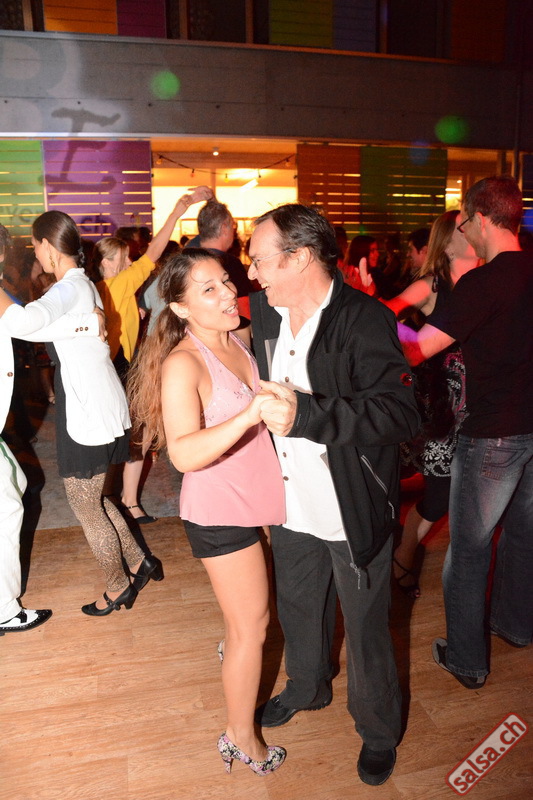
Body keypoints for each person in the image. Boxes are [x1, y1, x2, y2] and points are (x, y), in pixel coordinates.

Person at [247, 204, 420, 786]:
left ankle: (378, 730)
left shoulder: (363, 319)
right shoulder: (266, 314)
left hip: (351, 502)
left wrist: (307, 415)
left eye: (260, 259)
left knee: (366, 626)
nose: (252, 272)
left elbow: (400, 412)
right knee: (298, 604)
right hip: (290, 499)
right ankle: (307, 686)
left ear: (299, 258)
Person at [127, 248, 286, 776]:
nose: (227, 295)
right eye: (209, 290)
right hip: (218, 509)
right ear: (180, 308)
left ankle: (234, 666)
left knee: (248, 622)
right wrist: (248, 415)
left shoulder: (237, 340)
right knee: (252, 628)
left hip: (255, 497)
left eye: (226, 282)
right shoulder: (184, 363)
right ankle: (241, 736)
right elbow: (183, 453)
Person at [398, 175, 533, 687]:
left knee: (470, 550)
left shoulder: (483, 282)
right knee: (523, 534)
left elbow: (418, 350)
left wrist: (384, 324)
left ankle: (467, 660)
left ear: (479, 219)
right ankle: (516, 626)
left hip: (494, 432)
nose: (462, 230)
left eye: (463, 221)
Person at [0, 211, 163, 617]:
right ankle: (140, 562)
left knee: (85, 504)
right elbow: (43, 329)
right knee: (96, 498)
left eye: (35, 246)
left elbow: (22, 322)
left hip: (88, 408)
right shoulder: (79, 285)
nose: (34, 253)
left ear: (48, 247)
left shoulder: (69, 287)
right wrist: (86, 328)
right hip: (97, 402)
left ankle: (118, 586)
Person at [94, 186, 212, 523]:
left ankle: (123, 499)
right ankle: (124, 501)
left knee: (139, 435)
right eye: (124, 259)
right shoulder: (119, 284)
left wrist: (135, 313)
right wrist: (178, 210)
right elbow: (154, 252)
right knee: (138, 435)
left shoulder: (106, 289)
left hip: (118, 368)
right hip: (121, 369)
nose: (131, 263)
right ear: (107, 263)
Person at [382, 211, 480, 597]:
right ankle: (403, 555)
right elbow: (384, 316)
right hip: (443, 408)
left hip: (483, 404)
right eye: (462, 227)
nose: (472, 229)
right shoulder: (432, 284)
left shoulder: (485, 280)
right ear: (448, 241)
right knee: (440, 493)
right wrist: (417, 341)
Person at [197, 199, 255, 318]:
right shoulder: (230, 264)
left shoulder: (188, 260)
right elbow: (245, 308)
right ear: (224, 228)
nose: (234, 231)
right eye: (232, 226)